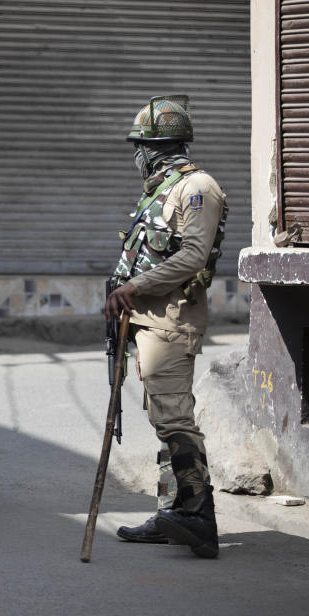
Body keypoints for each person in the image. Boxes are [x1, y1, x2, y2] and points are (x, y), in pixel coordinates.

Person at [104, 95, 228, 559]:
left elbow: (192, 256)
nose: (136, 155)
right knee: (162, 419)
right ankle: (170, 513)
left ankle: (198, 515)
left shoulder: (198, 188)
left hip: (171, 322)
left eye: (140, 146)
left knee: (175, 419)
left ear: (156, 147)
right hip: (146, 322)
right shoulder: (162, 188)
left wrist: (133, 288)